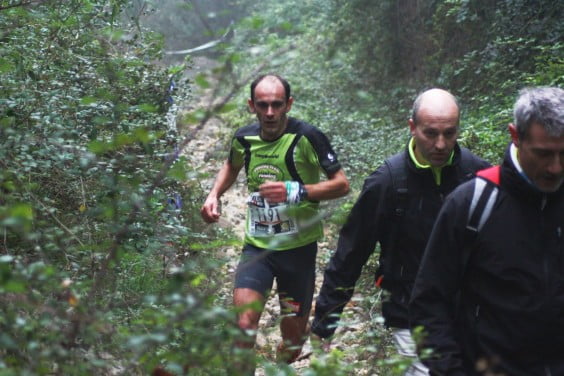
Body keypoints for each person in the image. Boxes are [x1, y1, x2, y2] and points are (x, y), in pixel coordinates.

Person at [311, 88, 489, 375]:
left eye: (449, 133)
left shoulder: (478, 175)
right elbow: (350, 254)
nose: (441, 144)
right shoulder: (388, 183)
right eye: (430, 133)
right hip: (409, 315)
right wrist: (324, 324)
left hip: (471, 314)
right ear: (412, 128)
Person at [409, 86, 564, 375]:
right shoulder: (473, 204)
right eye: (543, 154)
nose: (555, 168)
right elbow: (429, 302)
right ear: (515, 136)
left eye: (563, 154)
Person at [200, 74, 350, 368]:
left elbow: (342, 185)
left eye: (277, 105)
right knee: (243, 328)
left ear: (288, 105)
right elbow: (231, 165)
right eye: (263, 105)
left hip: (298, 252)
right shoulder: (244, 138)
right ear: (251, 106)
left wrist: (295, 190)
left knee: (292, 344)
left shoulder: (308, 137)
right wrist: (214, 193)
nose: (270, 112)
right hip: (257, 248)